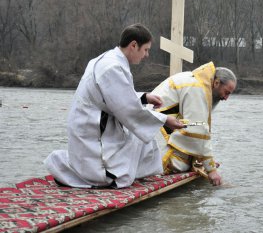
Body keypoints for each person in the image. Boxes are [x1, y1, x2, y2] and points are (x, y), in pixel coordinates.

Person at [44, 23, 184, 188]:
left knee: (141, 136)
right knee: (121, 176)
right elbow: (129, 110)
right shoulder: (112, 67)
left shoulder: (109, 59)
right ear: (133, 45)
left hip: (91, 123)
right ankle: (96, 173)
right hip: (92, 130)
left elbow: (114, 97)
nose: (146, 55)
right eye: (145, 49)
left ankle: (120, 169)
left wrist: (145, 97)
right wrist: (165, 119)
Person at [151, 62, 237, 186]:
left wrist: (205, 159)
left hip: (155, 127)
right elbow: (197, 130)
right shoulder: (197, 87)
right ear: (216, 83)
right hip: (155, 132)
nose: (226, 98)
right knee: (180, 164)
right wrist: (211, 170)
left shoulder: (196, 81)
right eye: (226, 92)